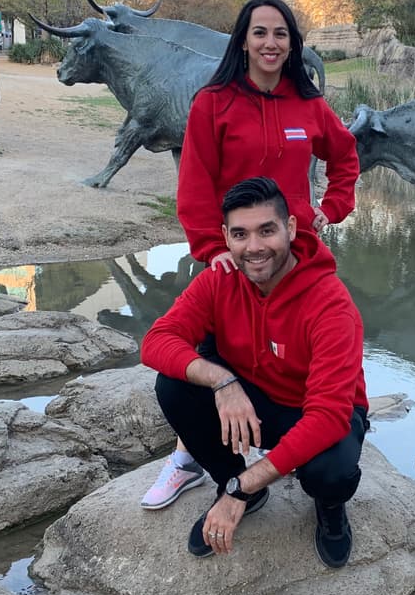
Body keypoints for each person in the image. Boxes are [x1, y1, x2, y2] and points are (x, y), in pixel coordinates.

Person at [139, 0, 360, 510]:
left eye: (281, 33)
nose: (270, 43)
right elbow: (195, 183)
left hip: (294, 252)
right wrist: (211, 246)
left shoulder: (307, 104)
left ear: (292, 44)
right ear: (243, 40)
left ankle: (303, 441)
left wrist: (333, 207)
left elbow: (345, 155)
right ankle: (190, 458)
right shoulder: (213, 102)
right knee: (211, 355)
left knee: (299, 350)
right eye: (259, 32)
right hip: (233, 253)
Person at [140, 176, 368, 568]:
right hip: (256, 398)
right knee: (173, 385)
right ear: (225, 237)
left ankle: (327, 508)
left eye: (267, 231)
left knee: (330, 471)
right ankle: (235, 484)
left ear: (291, 228)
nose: (254, 247)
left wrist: (240, 488)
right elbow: (157, 341)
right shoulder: (220, 278)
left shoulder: (331, 305)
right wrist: (222, 382)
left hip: (318, 411)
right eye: (241, 234)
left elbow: (328, 415)